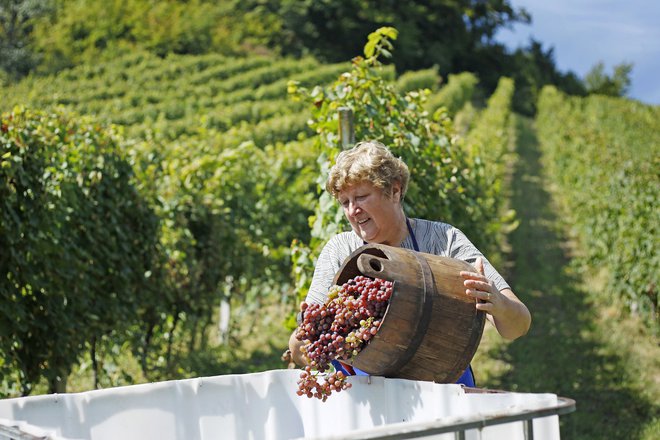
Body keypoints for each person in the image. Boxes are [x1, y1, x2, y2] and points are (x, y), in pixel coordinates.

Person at [288, 140, 531, 386]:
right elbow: (300, 348)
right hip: (368, 396)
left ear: (394, 191)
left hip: (442, 391)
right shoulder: (341, 251)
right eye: (345, 203)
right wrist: (307, 335)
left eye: (361, 197)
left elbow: (518, 326)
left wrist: (498, 304)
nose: (353, 210)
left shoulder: (442, 240)